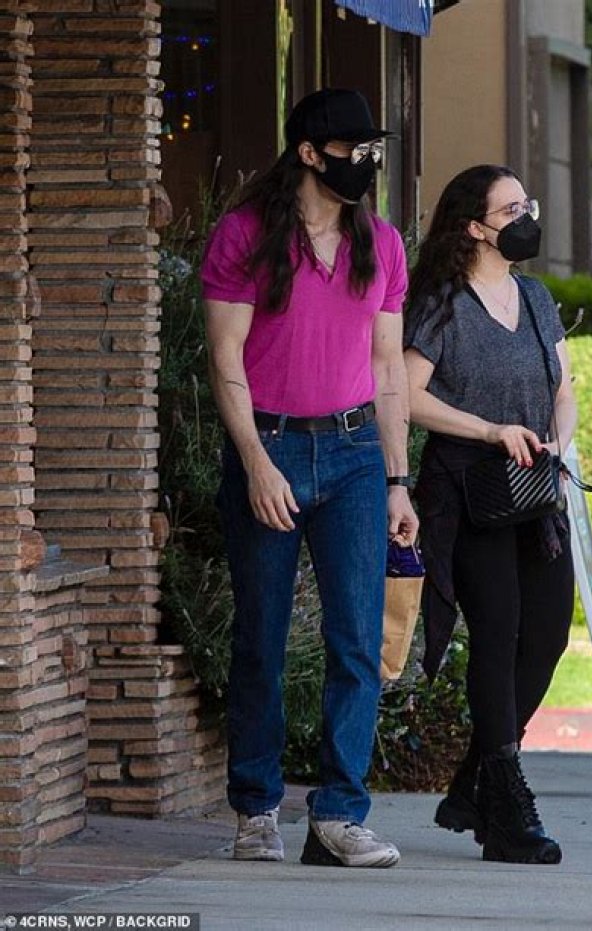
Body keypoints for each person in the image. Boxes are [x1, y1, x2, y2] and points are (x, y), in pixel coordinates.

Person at [201, 88, 418, 868]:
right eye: (350, 151)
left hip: (359, 455)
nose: (363, 164)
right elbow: (225, 355)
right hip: (273, 447)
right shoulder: (246, 235)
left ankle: (337, 817)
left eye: (370, 152)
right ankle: (256, 809)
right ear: (308, 153)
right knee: (259, 638)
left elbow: (389, 365)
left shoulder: (381, 242)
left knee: (357, 639)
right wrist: (256, 462)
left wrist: (398, 479)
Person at [403, 165, 577, 865]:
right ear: (476, 227)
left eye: (526, 204)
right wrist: (487, 429)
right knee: (499, 629)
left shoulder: (534, 297)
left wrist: (556, 442)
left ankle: (475, 781)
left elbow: (563, 387)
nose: (526, 215)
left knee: (547, 634)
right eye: (512, 208)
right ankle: (506, 808)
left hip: (534, 489)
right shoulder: (442, 303)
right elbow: (407, 396)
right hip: (468, 491)